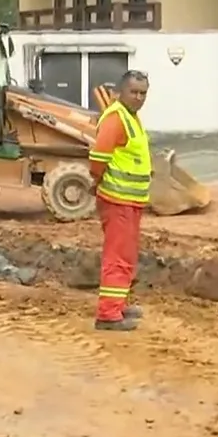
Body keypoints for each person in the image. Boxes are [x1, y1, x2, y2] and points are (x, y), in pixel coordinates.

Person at [87, 70, 150, 332]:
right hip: (117, 199)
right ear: (121, 92)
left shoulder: (131, 118)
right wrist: (98, 182)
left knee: (126, 255)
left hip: (131, 201)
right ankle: (108, 314)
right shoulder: (116, 118)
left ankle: (118, 304)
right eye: (134, 92)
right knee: (117, 256)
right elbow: (99, 158)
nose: (138, 97)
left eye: (143, 93)